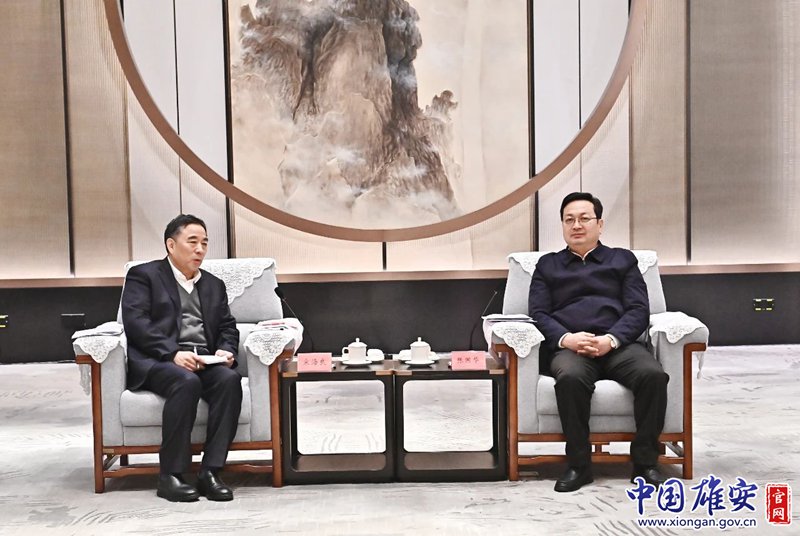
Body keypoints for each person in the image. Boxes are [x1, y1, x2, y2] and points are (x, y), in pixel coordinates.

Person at [529, 192, 669, 493]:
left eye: (584, 218)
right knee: (570, 379)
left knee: (653, 375)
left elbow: (638, 310)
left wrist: (611, 339)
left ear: (600, 224)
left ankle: (645, 464)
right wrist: (567, 339)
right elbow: (538, 313)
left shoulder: (622, 260)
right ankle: (579, 466)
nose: (576, 225)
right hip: (571, 347)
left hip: (618, 344)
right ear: (562, 225)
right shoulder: (547, 265)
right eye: (569, 220)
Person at [122, 214, 241, 502]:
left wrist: (226, 350)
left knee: (229, 380)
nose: (200, 249)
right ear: (171, 245)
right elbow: (136, 323)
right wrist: (173, 353)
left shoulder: (213, 284)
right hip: (159, 361)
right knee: (186, 382)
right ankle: (170, 476)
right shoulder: (144, 276)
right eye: (192, 242)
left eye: (205, 243)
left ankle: (210, 472)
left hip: (203, 360)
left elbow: (227, 326)